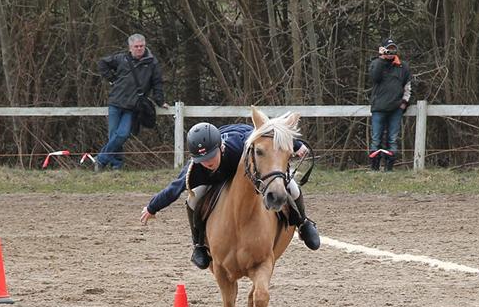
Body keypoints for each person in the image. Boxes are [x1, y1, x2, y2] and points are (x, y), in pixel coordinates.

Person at [139, 122, 320, 269]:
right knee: (192, 199)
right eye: (202, 160)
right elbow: (173, 189)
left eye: (211, 156)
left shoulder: (239, 146)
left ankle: (303, 223)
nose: (208, 163)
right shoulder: (195, 169)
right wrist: (152, 207)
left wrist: (297, 145)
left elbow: (268, 132)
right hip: (217, 175)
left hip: (241, 147)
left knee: (291, 186)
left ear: (221, 148)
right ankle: (199, 245)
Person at [95, 34, 165, 170]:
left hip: (133, 106)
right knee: (113, 135)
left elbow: (157, 83)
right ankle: (116, 166)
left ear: (145, 45)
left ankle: (101, 159)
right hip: (116, 102)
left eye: (141, 46)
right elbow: (102, 63)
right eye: (136, 46)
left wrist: (160, 101)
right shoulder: (121, 59)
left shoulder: (152, 63)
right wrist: (112, 78)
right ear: (130, 47)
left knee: (122, 134)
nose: (139, 49)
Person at [367, 38, 412, 171]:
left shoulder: (403, 66)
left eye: (393, 49)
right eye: (388, 49)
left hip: (396, 109)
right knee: (376, 139)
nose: (391, 52)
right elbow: (375, 78)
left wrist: (404, 102)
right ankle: (374, 168)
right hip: (378, 108)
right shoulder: (376, 64)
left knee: (393, 139)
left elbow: (408, 86)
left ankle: (389, 168)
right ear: (383, 49)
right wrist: (382, 59)